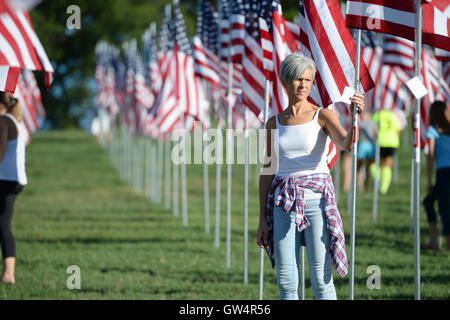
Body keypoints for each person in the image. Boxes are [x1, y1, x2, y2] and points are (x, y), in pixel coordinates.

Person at [256, 52, 365, 300]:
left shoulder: (323, 115)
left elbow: (346, 144)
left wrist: (355, 118)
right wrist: (262, 218)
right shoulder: (274, 122)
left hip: (317, 200)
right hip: (282, 203)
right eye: (297, 79)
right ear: (286, 81)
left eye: (308, 79)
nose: (303, 85)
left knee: (321, 278)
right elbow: (268, 170)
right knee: (286, 278)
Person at [0, 91, 28, 284]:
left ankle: (9, 274)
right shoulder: (16, 120)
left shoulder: (3, 122)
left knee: (3, 224)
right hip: (15, 178)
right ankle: (8, 273)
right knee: (2, 223)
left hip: (4, 178)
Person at [422, 101, 450, 251]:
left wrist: (428, 180)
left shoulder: (433, 130)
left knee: (444, 208)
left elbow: (431, 155)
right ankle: (434, 241)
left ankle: (443, 242)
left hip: (444, 172)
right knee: (429, 202)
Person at [371, 109, 400, 194]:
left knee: (375, 163)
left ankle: (378, 181)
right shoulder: (393, 115)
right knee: (387, 164)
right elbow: (397, 130)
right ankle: (384, 189)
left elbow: (374, 130)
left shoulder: (376, 115)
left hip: (380, 141)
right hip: (392, 142)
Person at [357, 112, 377, 192]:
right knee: (368, 167)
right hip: (371, 146)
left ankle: (360, 184)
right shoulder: (373, 123)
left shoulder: (360, 124)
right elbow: (376, 134)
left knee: (358, 167)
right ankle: (366, 187)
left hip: (362, 145)